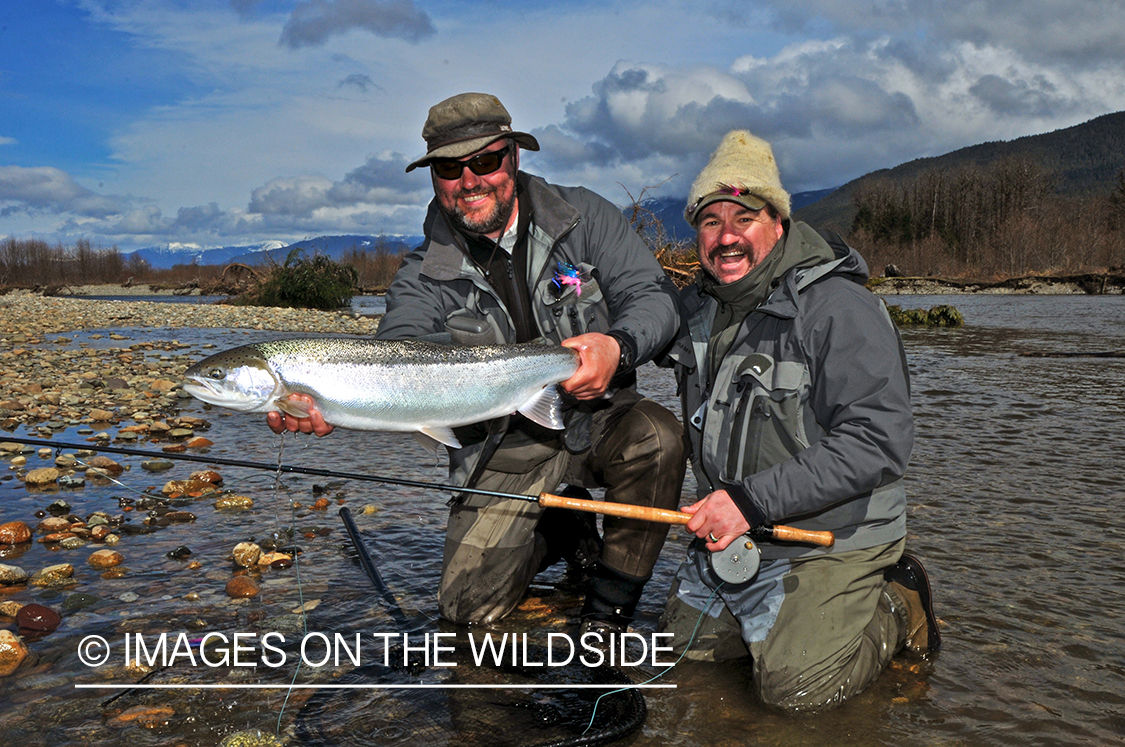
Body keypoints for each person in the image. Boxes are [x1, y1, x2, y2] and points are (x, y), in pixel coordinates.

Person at [269, 92, 686, 634]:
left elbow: (654, 298)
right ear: (434, 177)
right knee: (469, 613)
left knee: (658, 438)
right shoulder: (423, 274)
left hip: (600, 416)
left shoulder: (585, 218)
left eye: (485, 161)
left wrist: (617, 347)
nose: (470, 180)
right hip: (502, 446)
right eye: (449, 168)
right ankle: (562, 528)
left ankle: (608, 612)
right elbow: (396, 352)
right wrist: (333, 403)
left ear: (513, 156)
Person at [657, 130, 940, 710]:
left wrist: (749, 501)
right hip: (740, 533)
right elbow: (629, 327)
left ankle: (896, 601)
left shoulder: (839, 309)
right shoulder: (696, 310)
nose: (727, 236)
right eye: (710, 221)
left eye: (745, 218)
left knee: (795, 695)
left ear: (779, 224)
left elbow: (878, 441)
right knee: (678, 666)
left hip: (832, 536)